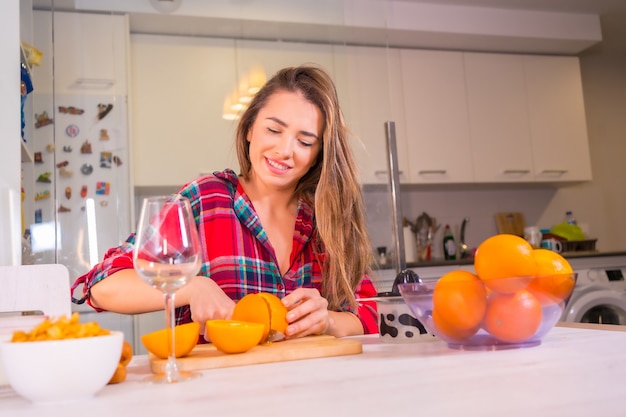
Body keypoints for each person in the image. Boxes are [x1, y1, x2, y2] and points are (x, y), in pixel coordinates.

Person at [72, 64, 378, 339]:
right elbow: (102, 286)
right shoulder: (204, 200)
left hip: (309, 393)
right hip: (217, 397)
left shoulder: (326, 218)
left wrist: (328, 322)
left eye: (304, 141)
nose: (285, 150)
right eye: (274, 129)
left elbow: (370, 313)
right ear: (249, 130)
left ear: (317, 155)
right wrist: (191, 287)